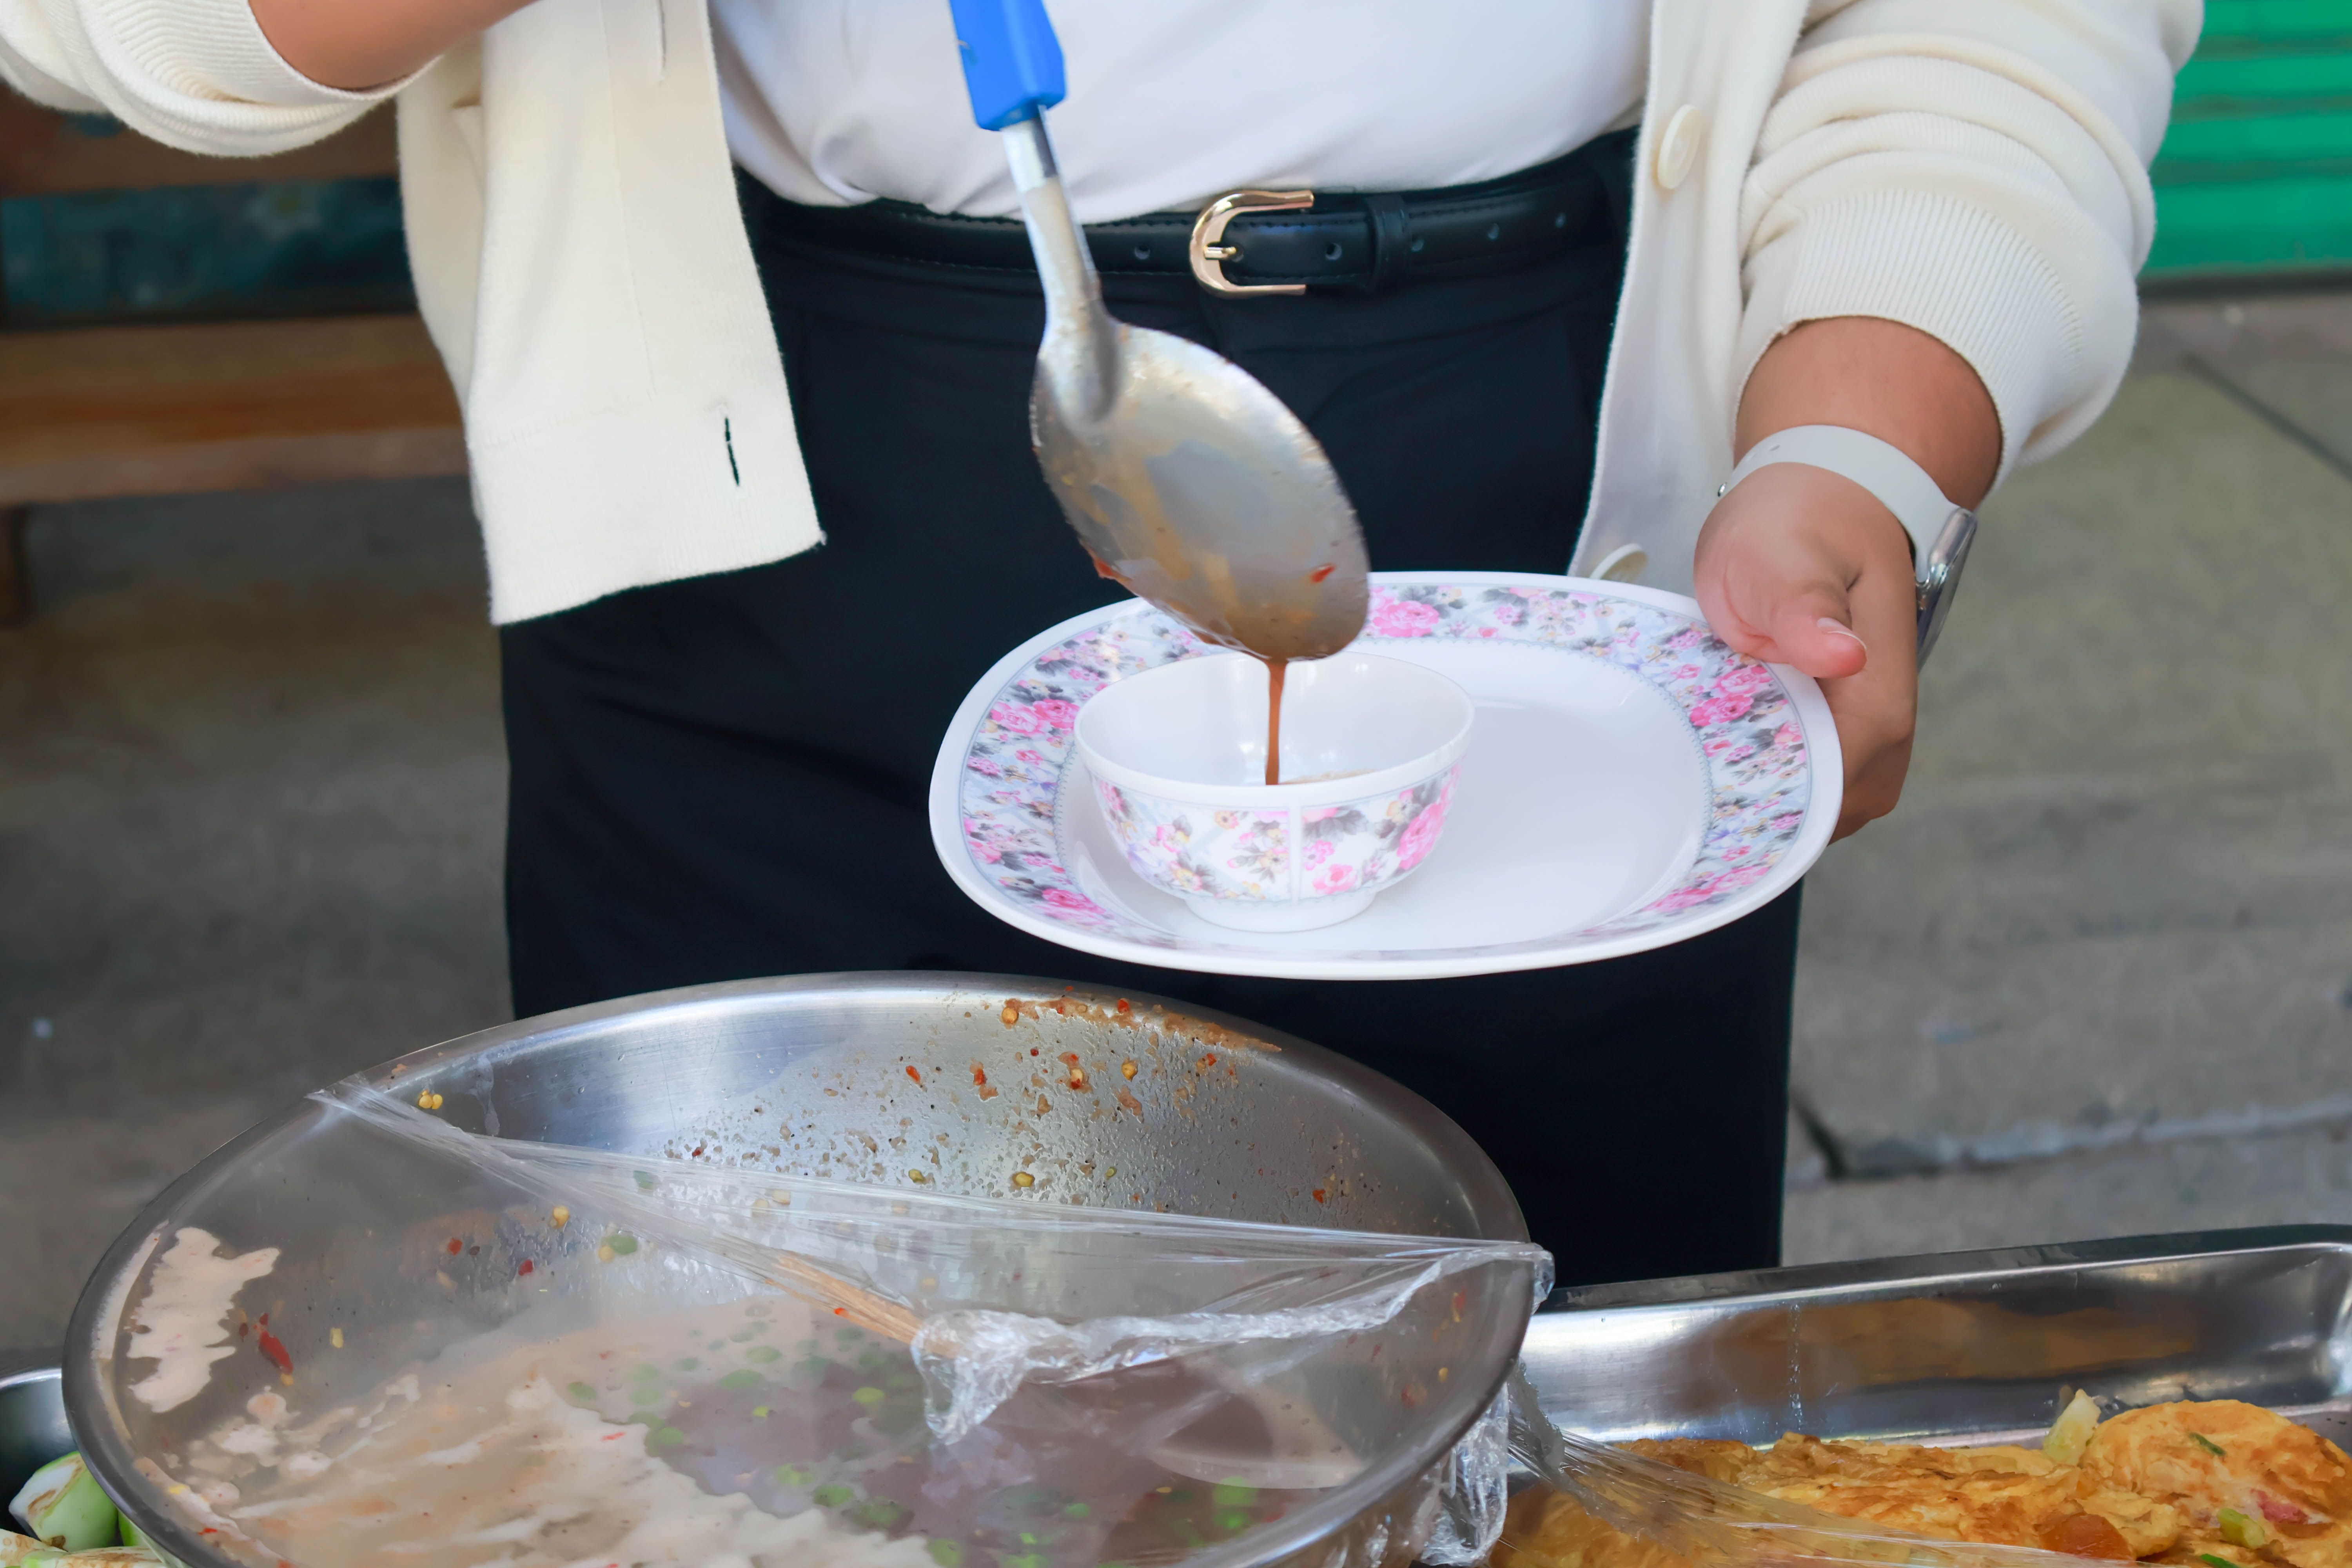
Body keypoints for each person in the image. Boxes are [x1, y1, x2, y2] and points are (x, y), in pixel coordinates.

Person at [2, 0, 2196, 1284]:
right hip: (776, 471)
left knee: (1545, 1433)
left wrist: (1862, 445)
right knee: (772, 1430)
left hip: (1572, 521)